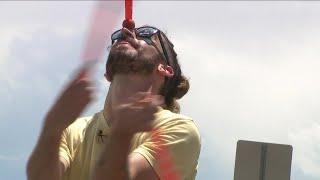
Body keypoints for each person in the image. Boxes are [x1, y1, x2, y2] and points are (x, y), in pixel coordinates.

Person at [26, 25, 201, 180]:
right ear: (107, 74)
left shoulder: (180, 130)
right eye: (118, 36)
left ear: (165, 68)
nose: (127, 33)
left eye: (144, 35)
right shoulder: (74, 131)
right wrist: (51, 128)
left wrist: (121, 135)